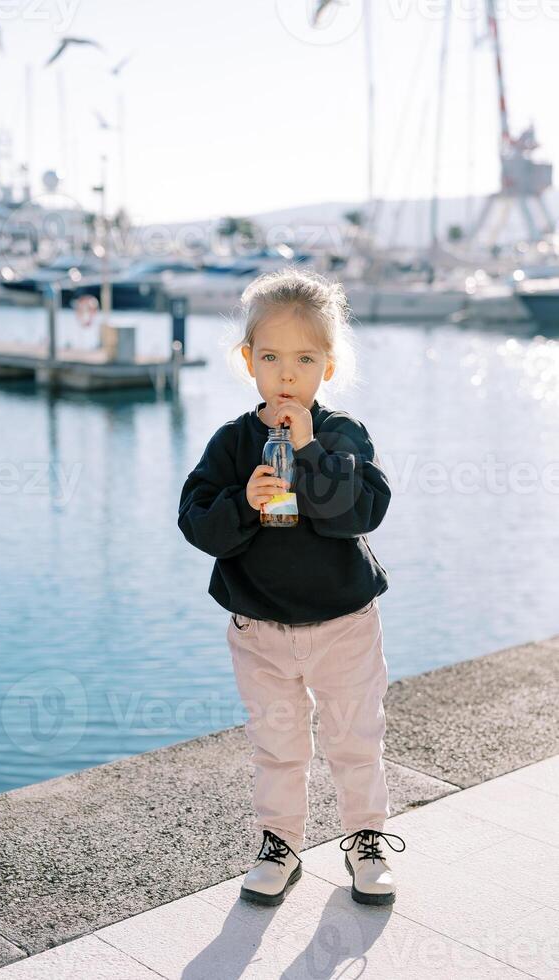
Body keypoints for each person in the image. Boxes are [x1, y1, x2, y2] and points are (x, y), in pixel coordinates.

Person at [177, 266, 405, 908]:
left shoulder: (342, 435)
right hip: (260, 628)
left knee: (355, 739)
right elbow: (196, 523)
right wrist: (243, 503)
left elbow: (359, 513)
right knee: (277, 746)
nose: (286, 374)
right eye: (271, 356)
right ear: (247, 359)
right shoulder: (232, 441)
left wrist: (309, 454)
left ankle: (366, 840)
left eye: (304, 358)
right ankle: (279, 843)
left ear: (327, 366)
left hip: (344, 624)